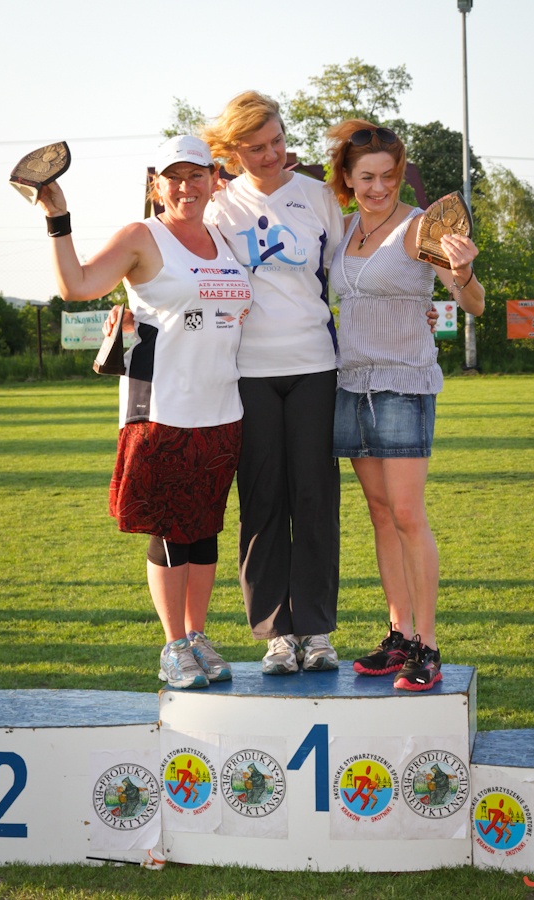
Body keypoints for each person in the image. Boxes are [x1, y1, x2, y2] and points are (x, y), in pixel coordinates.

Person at [36, 135, 253, 690]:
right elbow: (76, 285)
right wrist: (58, 218)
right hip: (162, 408)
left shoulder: (224, 235)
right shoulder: (142, 235)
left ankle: (198, 636)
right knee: (171, 530)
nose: (186, 186)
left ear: (214, 180)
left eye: (196, 174)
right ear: (157, 185)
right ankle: (173, 645)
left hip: (223, 407)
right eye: (174, 177)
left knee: (205, 530)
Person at [326, 119, 485, 691]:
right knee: (379, 513)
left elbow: (475, 302)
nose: (378, 187)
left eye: (389, 176)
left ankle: (428, 645)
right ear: (347, 178)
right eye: (367, 177)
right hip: (351, 385)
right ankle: (398, 633)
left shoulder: (420, 227)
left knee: (408, 515)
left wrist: (462, 271)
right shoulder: (342, 228)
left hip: (404, 384)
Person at [201, 91, 345, 675]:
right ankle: (276, 636)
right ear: (232, 151)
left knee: (314, 500)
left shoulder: (318, 197)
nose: (271, 155)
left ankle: (316, 631)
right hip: (247, 374)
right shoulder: (217, 207)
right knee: (261, 502)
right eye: (256, 147)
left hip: (314, 366)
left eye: (278, 141)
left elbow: (346, 274)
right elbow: (194, 278)